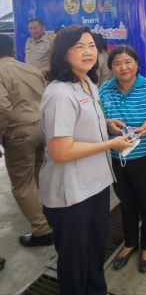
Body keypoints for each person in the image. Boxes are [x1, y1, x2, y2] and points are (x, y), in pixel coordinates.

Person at [39, 25, 134, 294]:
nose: (88, 51)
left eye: (91, 45)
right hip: (71, 194)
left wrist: (106, 123)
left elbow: (80, 124)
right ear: (63, 52)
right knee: (74, 263)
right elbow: (60, 151)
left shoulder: (88, 82)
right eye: (79, 46)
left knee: (94, 252)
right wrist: (110, 143)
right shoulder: (59, 93)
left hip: (96, 185)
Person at [99, 44, 146, 273]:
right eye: (117, 63)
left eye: (128, 62)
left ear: (137, 64)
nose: (123, 67)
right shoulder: (104, 90)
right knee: (126, 201)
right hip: (116, 156)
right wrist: (106, 124)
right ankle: (130, 242)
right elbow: (98, 118)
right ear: (111, 67)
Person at [0, 34, 54, 247]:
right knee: (38, 174)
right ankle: (49, 216)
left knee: (22, 183)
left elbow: (2, 107)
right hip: (40, 128)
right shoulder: (31, 69)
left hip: (18, 133)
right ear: (13, 51)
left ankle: (42, 230)